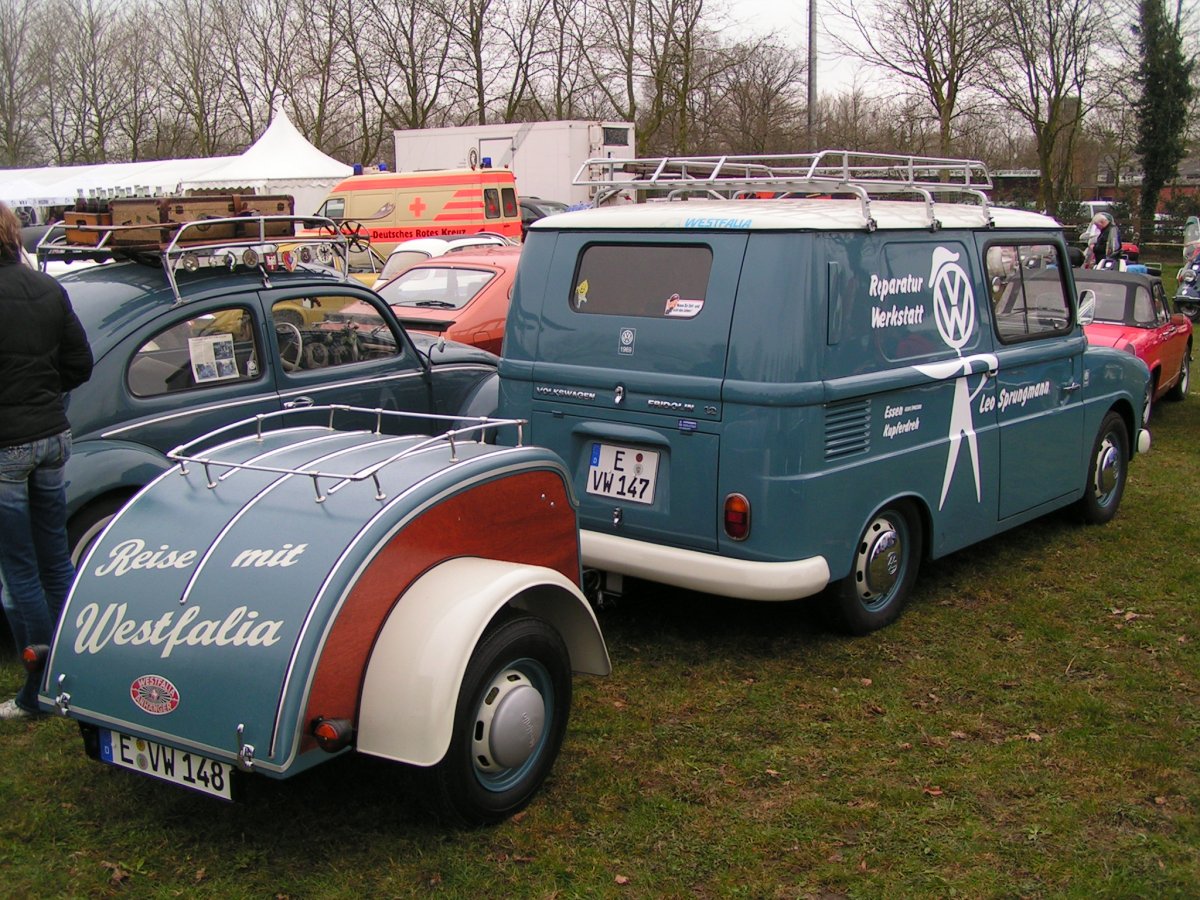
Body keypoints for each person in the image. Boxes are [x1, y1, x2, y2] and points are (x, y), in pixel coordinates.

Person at [0, 201, 93, 720]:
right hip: (52, 436)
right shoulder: (47, 288)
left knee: (19, 571)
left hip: (8, 446)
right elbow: (79, 363)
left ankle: (37, 692)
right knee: (55, 559)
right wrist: (42, 394)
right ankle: (72, 671)